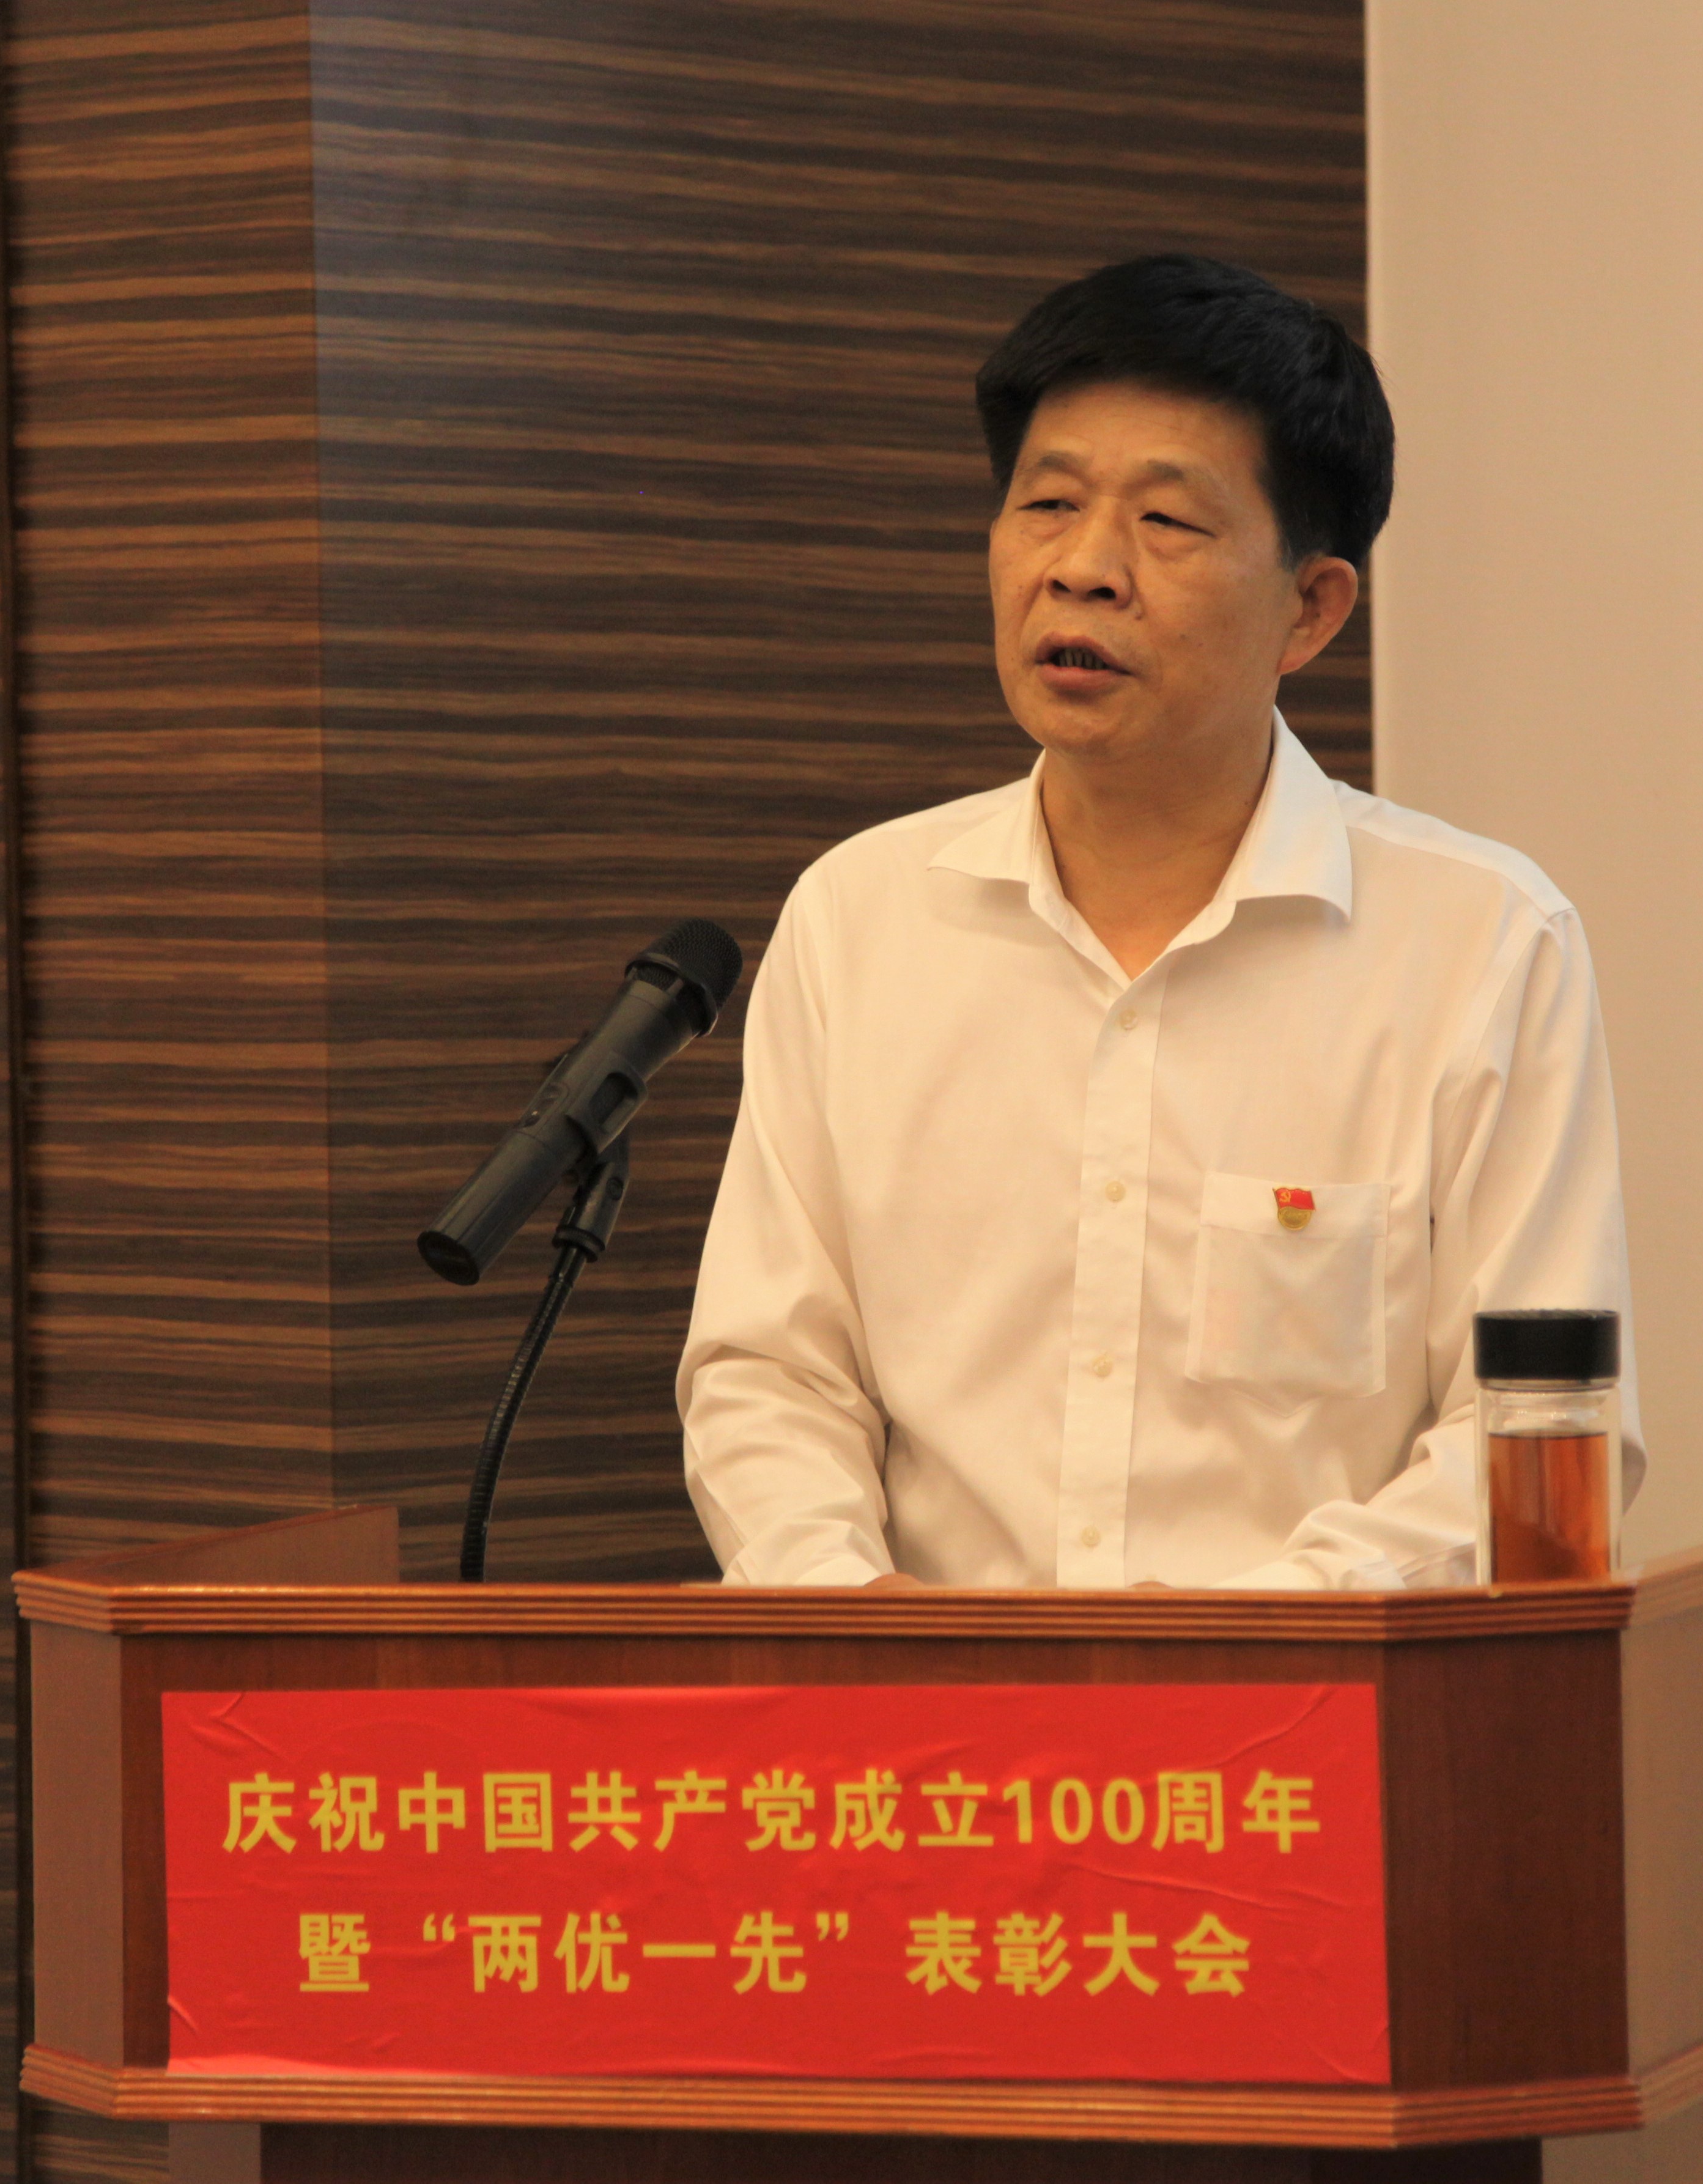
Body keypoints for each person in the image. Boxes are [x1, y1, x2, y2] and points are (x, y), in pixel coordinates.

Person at [678, 254, 1637, 1590]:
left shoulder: (1482, 944)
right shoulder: (862, 917)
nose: (1083, 570)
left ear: (1311, 608)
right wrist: (861, 1621)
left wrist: (1229, 1656)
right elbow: (770, 1371)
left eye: (1168, 523)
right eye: (1047, 504)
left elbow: (1538, 1436)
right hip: (930, 1713)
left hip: (1322, 1704)